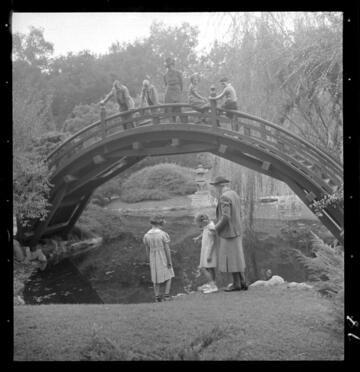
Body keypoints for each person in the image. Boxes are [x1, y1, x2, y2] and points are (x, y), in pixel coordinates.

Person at [210, 176, 248, 291]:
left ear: (219, 186)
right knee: (237, 257)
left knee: (231, 258)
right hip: (237, 230)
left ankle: (236, 284)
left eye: (215, 186)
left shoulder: (224, 197)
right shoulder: (234, 194)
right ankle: (243, 282)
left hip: (229, 232)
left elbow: (226, 217)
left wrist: (215, 228)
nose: (214, 189)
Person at [143, 214, 175, 302]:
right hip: (163, 257)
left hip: (153, 259)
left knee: (155, 277)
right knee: (169, 275)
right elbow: (167, 249)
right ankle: (167, 296)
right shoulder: (163, 234)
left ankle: (157, 297)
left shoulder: (146, 236)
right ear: (160, 223)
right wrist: (169, 261)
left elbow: (147, 250)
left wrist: (149, 261)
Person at [193, 213, 218, 294]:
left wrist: (210, 254)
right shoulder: (207, 225)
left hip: (209, 251)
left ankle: (213, 286)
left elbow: (214, 241)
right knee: (210, 268)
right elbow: (204, 232)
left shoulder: (211, 227)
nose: (200, 227)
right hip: (206, 250)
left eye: (200, 225)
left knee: (203, 268)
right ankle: (213, 283)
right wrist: (198, 237)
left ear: (203, 222)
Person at [163, 57, 184, 123]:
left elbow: (181, 84)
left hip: (177, 90)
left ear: (173, 65)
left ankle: (184, 124)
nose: (170, 67)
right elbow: (166, 85)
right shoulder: (165, 75)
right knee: (170, 109)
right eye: (168, 66)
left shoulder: (178, 73)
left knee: (179, 108)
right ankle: (172, 124)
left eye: (171, 65)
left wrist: (179, 91)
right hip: (169, 92)